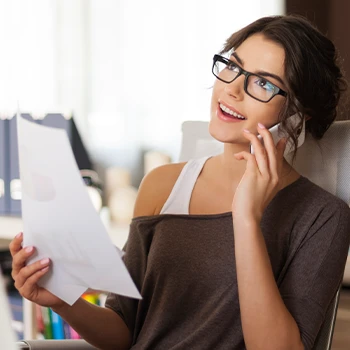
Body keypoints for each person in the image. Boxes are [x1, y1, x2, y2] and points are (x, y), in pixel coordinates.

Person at [10, 14, 350, 350]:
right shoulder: (162, 185)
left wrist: (246, 217)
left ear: (297, 114)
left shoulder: (323, 216)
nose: (231, 89)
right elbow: (125, 330)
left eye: (263, 83)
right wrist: (61, 301)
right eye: (233, 66)